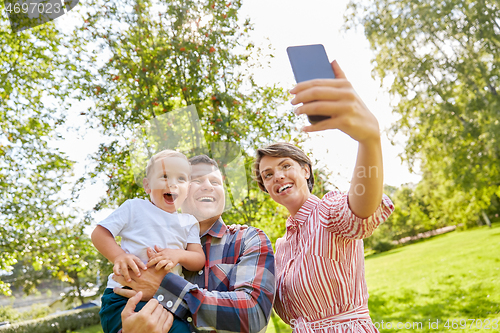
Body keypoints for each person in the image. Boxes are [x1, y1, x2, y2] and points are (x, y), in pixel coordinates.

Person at [253, 60, 395, 332]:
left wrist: (369, 140)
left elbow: (361, 211)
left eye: (285, 166)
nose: (278, 177)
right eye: (268, 175)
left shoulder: (329, 211)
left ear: (305, 170)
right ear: (266, 188)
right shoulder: (280, 247)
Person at [112, 155, 276, 333]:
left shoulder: (248, 239)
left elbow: (253, 316)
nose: (208, 186)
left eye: (215, 181)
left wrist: (166, 288)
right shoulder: (150, 243)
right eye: (197, 180)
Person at [91, 150, 206, 333]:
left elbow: (198, 259)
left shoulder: (188, 222)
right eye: (165, 176)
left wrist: (178, 254)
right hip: (124, 295)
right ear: (147, 185)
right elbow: (99, 233)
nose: (173, 183)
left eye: (181, 179)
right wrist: (119, 256)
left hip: (167, 299)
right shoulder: (134, 207)